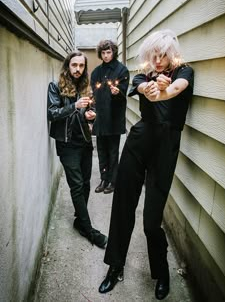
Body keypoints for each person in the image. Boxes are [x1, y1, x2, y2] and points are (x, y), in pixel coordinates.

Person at [98, 30, 194, 299]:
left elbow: (176, 89)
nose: (159, 59)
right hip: (139, 141)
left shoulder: (185, 72)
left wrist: (163, 89)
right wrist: (148, 87)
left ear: (171, 53)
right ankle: (115, 266)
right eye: (154, 54)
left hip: (166, 149)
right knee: (123, 205)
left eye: (163, 54)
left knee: (151, 220)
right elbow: (141, 88)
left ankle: (161, 273)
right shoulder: (143, 75)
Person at [47, 50, 107, 249]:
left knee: (87, 183)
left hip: (85, 141)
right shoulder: (55, 86)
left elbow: (92, 110)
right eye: (74, 65)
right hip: (66, 144)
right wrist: (74, 106)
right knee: (77, 185)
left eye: (81, 66)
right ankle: (88, 230)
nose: (78, 69)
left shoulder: (85, 86)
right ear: (68, 66)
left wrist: (91, 116)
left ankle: (79, 220)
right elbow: (52, 113)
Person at [90, 40, 129, 194]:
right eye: (103, 53)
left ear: (113, 52)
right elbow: (93, 95)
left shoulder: (122, 70)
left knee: (113, 152)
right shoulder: (96, 72)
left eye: (109, 52)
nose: (106, 56)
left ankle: (113, 182)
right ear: (100, 54)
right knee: (101, 151)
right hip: (100, 118)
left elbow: (123, 94)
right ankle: (103, 179)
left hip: (113, 118)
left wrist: (117, 93)